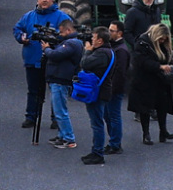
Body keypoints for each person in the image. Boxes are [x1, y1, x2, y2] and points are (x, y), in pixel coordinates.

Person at [13, 0, 72, 127]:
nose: (44, 0)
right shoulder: (28, 16)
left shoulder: (61, 17)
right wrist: (21, 37)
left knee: (56, 91)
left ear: (52, 0)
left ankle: (56, 119)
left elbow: (70, 34)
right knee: (34, 91)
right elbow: (17, 29)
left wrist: (55, 39)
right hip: (33, 60)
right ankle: (31, 117)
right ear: (37, 0)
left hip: (54, 61)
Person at [129, 23, 173, 145]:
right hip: (145, 80)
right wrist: (160, 66)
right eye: (161, 39)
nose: (162, 41)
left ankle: (163, 131)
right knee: (145, 108)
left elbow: (167, 57)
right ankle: (146, 134)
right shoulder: (142, 43)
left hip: (160, 79)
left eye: (164, 40)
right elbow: (142, 62)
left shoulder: (162, 45)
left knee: (163, 106)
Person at [42, 18, 84, 149]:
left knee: (60, 111)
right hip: (57, 78)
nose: (59, 35)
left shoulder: (72, 43)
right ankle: (61, 135)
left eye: (61, 32)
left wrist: (47, 49)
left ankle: (69, 138)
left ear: (69, 30)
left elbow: (56, 55)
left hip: (60, 80)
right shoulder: (68, 42)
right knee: (58, 109)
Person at [79, 26, 115, 165]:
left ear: (100, 40)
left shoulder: (101, 54)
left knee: (97, 123)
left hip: (97, 93)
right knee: (98, 122)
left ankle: (98, 153)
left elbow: (85, 64)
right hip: (103, 91)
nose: (91, 40)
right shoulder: (108, 51)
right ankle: (96, 150)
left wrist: (87, 51)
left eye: (93, 38)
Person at [104, 20, 131, 155]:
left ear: (119, 33)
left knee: (113, 116)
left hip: (114, 89)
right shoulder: (114, 47)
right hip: (111, 88)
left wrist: (111, 90)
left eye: (112, 31)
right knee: (108, 115)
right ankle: (113, 141)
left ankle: (115, 144)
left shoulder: (121, 51)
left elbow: (120, 73)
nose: (109, 33)